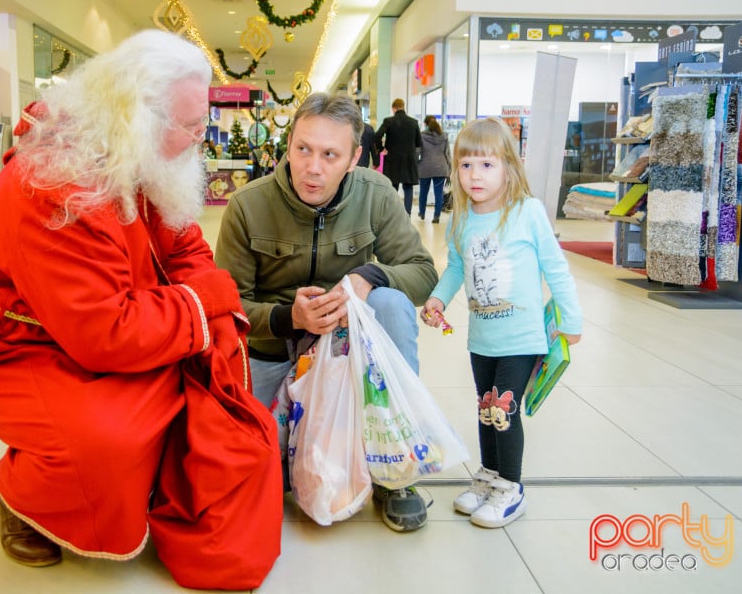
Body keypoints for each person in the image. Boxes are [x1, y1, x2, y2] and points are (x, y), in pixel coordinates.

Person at [0, 30, 282, 591]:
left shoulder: (132, 150)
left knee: (202, 390)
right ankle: (20, 491)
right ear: (140, 115)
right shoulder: (57, 186)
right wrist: (207, 304)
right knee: (106, 441)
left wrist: (209, 312)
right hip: (16, 347)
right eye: (191, 126)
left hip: (106, 327)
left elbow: (186, 246)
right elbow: (106, 332)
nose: (201, 138)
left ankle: (138, 489)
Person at [215, 93, 439, 533]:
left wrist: (367, 277)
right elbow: (226, 306)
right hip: (272, 347)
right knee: (251, 467)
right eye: (303, 149)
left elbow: (423, 272)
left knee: (391, 301)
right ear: (288, 145)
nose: (313, 168)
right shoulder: (248, 205)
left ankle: (395, 471)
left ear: (355, 157)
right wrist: (288, 318)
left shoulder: (375, 195)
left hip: (347, 349)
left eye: (330, 154)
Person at [421, 117, 582, 529]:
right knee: (485, 410)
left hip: (522, 337)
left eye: (487, 165)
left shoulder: (526, 212)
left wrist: (572, 320)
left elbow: (556, 268)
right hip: (483, 338)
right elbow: (456, 267)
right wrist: (438, 298)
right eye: (466, 164)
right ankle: (490, 477)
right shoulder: (460, 218)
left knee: (504, 414)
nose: (475, 174)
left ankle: (511, 487)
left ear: (509, 167)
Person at [374, 98, 421, 214]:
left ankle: (393, 213)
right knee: (408, 188)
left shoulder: (388, 121)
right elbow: (419, 142)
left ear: (393, 108)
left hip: (392, 159)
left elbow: (376, 136)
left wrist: (382, 149)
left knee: (393, 187)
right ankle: (408, 214)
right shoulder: (413, 122)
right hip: (409, 160)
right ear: (403, 106)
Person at [417, 115, 451, 222]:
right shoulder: (444, 137)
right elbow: (447, 154)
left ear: (426, 125)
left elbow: (417, 152)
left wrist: (417, 163)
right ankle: (437, 216)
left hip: (425, 167)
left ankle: (422, 213)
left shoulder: (421, 136)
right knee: (439, 193)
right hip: (440, 168)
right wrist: (450, 168)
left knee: (423, 191)